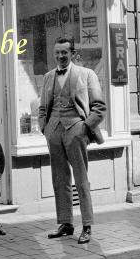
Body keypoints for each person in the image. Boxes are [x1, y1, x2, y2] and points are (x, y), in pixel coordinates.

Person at [38, 36, 106, 244]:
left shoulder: (87, 74)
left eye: (64, 53)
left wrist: (84, 127)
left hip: (76, 130)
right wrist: (45, 128)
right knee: (59, 179)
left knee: (81, 179)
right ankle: (66, 223)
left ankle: (87, 226)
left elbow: (99, 107)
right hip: (54, 132)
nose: (60, 56)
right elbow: (42, 108)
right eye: (57, 53)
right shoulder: (49, 76)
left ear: (73, 54)